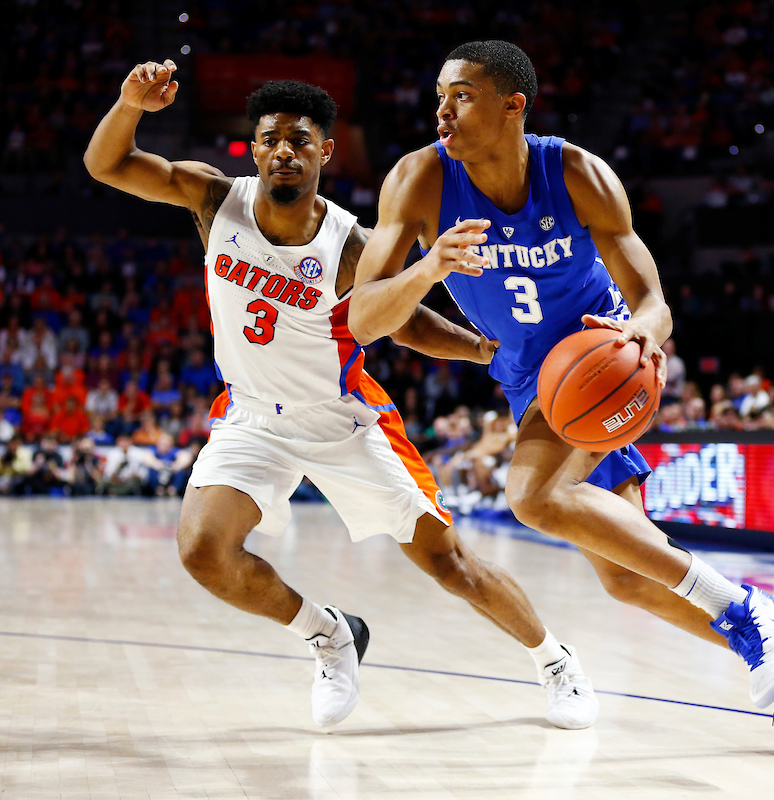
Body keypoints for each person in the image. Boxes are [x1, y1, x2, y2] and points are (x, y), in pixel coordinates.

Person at [351, 40, 774, 755]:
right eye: (440, 96)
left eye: (461, 95)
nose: (443, 111)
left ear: (512, 105)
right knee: (628, 578)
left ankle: (750, 612)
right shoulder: (418, 180)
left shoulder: (576, 172)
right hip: (530, 378)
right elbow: (365, 319)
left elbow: (652, 299)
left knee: (532, 496)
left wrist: (645, 330)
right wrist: (428, 267)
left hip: (599, 361)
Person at [84, 61, 596, 730]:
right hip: (251, 416)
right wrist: (129, 104)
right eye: (271, 139)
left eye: (300, 140)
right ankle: (329, 633)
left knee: (450, 564)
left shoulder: (349, 244)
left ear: (325, 152)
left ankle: (555, 660)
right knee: (203, 551)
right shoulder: (214, 200)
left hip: (343, 420)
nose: (284, 151)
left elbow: (405, 321)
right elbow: (106, 164)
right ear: (253, 149)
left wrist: (481, 350)